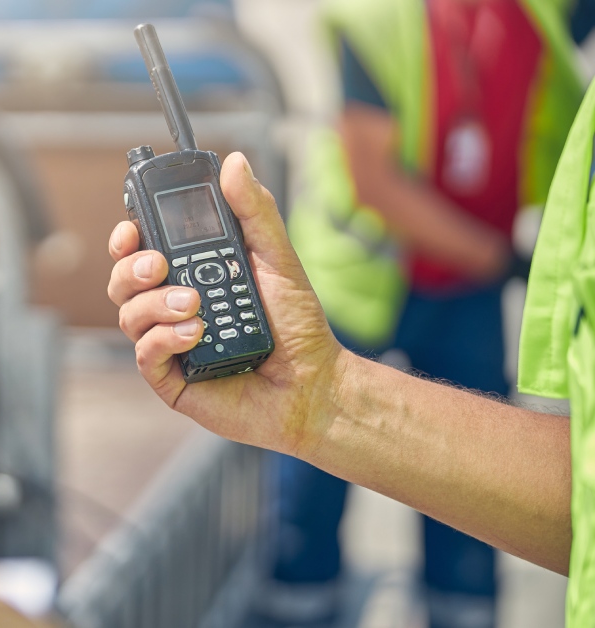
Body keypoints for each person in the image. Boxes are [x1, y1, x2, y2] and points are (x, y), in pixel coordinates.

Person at [104, 65, 595, 622]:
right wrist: (320, 399)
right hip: (378, 282)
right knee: (311, 519)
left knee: (449, 564)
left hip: (457, 280)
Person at [272, 0, 595, 624]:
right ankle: (297, 607)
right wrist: (499, 257)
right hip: (366, 272)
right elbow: (376, 179)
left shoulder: (548, 15)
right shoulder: (378, 18)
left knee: (474, 481)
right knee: (316, 463)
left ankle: (462, 609)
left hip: (466, 283)